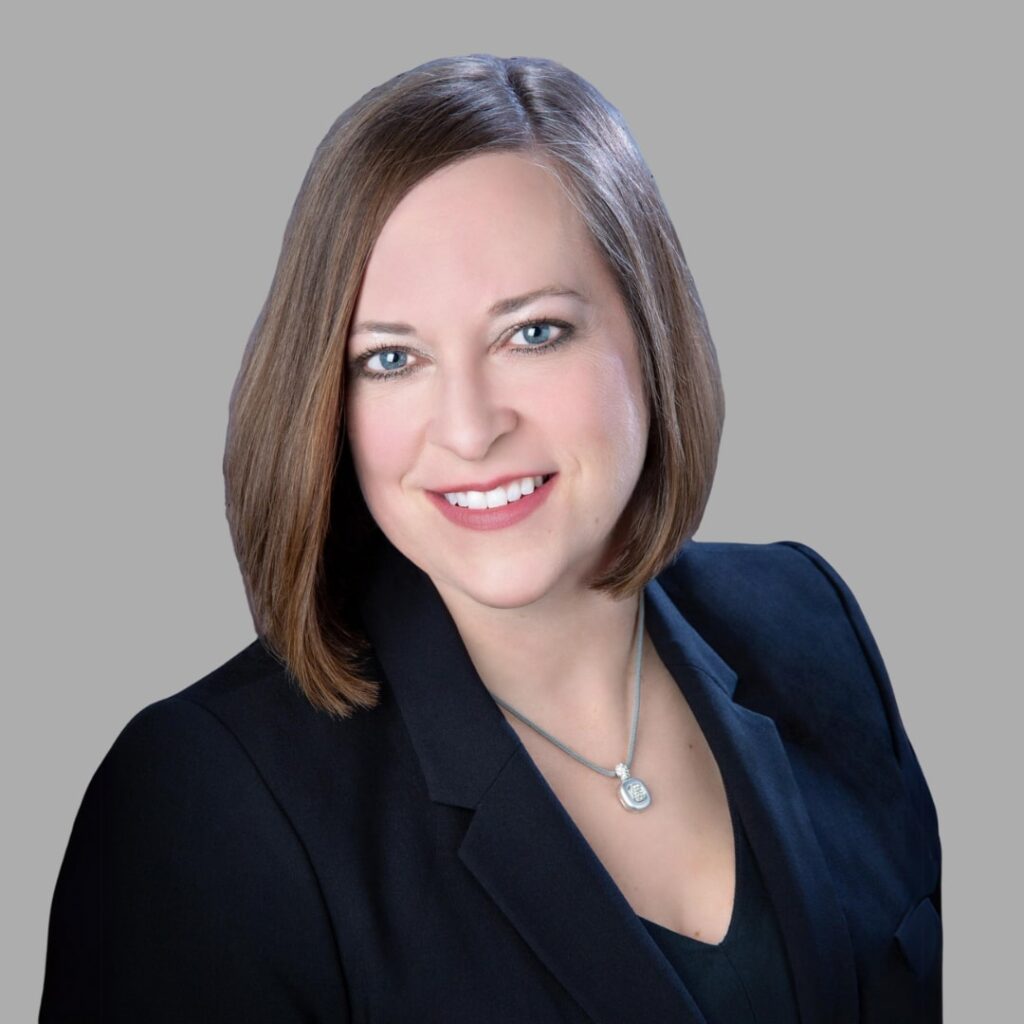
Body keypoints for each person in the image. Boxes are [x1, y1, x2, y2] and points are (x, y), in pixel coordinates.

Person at [39, 54, 942, 1023]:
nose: (469, 429)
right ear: (329, 403)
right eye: (392, 358)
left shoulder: (815, 629)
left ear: (650, 333)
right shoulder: (204, 799)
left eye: (533, 333)